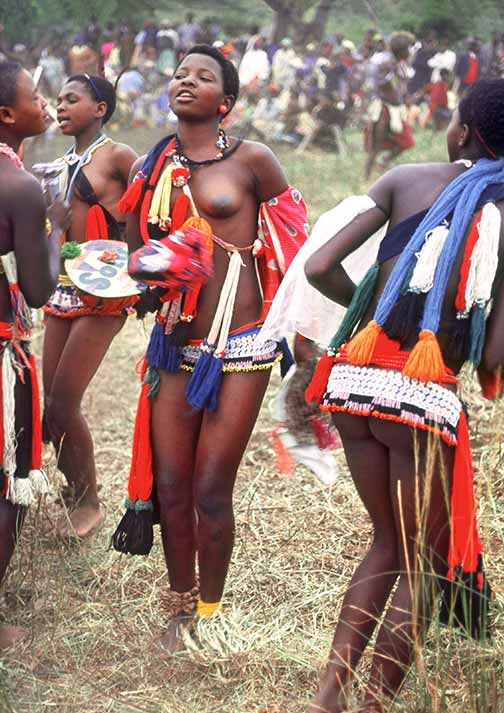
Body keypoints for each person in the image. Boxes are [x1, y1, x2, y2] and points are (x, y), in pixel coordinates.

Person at [268, 79, 504, 713]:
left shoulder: (402, 178)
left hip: (351, 386)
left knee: (385, 542)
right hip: (419, 404)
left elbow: (320, 264)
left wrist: (377, 312)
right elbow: (497, 359)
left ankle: (323, 703)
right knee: (420, 562)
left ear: (461, 131)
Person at [113, 44, 308, 654]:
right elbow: (132, 259)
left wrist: (301, 334)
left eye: (202, 76)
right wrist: (157, 265)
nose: (185, 81)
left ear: (225, 102)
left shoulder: (254, 160)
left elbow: (295, 238)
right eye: (179, 74)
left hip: (243, 347)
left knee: (208, 488)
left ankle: (211, 610)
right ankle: (178, 607)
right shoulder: (153, 169)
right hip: (176, 344)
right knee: (170, 484)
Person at [42, 75, 137, 539]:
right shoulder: (59, 164)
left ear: (100, 109)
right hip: (63, 289)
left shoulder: (118, 156)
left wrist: (128, 240)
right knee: (50, 408)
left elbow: (150, 203)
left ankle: (89, 501)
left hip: (104, 291)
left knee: (64, 401)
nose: (61, 106)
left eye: (72, 99)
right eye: (58, 100)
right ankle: (73, 484)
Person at [0, 61, 70, 648]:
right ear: (7, 116)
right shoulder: (20, 186)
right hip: (3, 352)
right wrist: (54, 229)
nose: (45, 102)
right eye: (35, 95)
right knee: (10, 479)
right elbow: (41, 291)